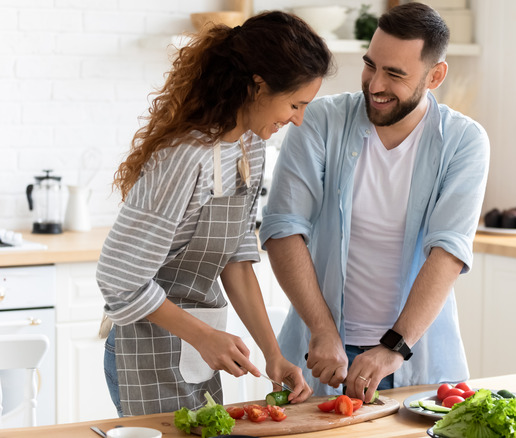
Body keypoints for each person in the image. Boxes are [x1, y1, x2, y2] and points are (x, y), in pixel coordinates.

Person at [96, 11, 333, 416]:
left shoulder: (250, 148)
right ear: (258, 86)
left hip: (197, 353)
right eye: (295, 104)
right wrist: (204, 337)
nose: (298, 119)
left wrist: (273, 354)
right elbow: (119, 278)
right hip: (146, 352)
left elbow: (237, 261)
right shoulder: (184, 158)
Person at [260, 2, 489, 400]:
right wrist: (323, 330)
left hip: (414, 358)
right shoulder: (318, 121)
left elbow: (449, 251)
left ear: (435, 76)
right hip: (320, 355)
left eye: (395, 74)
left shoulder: (464, 141)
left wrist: (394, 347)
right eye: (371, 65)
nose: (375, 84)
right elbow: (283, 229)